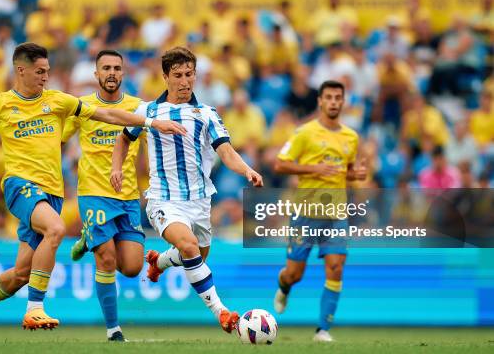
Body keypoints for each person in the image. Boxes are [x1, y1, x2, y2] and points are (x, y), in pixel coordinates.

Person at [0, 42, 185, 338]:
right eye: (40, 72)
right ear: (21, 70)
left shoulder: (59, 101)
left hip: (52, 194)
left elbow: (108, 115)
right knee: (56, 229)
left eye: (47, 71)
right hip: (20, 186)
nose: (45, 77)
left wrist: (150, 122)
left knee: (21, 274)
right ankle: (34, 309)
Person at [111, 47, 263, 334]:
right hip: (163, 199)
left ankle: (160, 260)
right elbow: (123, 138)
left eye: (189, 75)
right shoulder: (148, 111)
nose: (185, 81)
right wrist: (116, 167)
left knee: (197, 256)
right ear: (165, 76)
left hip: (200, 200)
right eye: (178, 75)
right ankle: (222, 312)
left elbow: (226, 151)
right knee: (190, 246)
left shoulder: (206, 114)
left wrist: (247, 170)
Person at [272, 80, 367, 342]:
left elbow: (343, 172)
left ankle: (322, 330)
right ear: (320, 101)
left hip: (336, 214)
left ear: (343, 101)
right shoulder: (304, 133)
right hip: (305, 213)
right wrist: (313, 169)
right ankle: (283, 286)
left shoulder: (351, 136)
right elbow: (280, 164)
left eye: (338, 97)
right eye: (329, 97)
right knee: (294, 274)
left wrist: (355, 174)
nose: (334, 102)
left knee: (336, 267)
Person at [62, 50, 144, 342]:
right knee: (106, 259)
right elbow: (58, 136)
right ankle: (113, 330)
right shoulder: (82, 107)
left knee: (133, 268)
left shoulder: (138, 107)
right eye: (106, 68)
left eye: (117, 68)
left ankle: (87, 238)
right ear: (96, 74)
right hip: (93, 193)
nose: (111, 73)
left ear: (124, 74)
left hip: (128, 196)